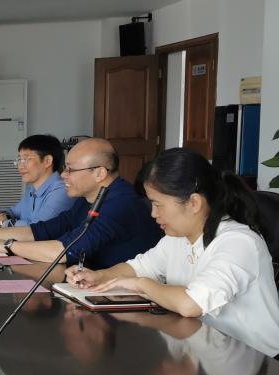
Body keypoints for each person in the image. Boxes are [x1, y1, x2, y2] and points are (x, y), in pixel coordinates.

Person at [65, 148, 279, 356]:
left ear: (194, 203)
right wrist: (99, 276)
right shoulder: (177, 237)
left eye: (158, 204)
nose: (153, 213)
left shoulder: (238, 242)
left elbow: (191, 304)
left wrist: (142, 285)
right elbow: (139, 267)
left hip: (256, 363)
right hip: (205, 351)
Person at [0, 138, 161, 267]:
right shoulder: (87, 198)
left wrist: (9, 246)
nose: (64, 175)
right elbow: (43, 230)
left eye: (71, 169)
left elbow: (67, 250)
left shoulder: (120, 203)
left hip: (123, 296)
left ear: (99, 173)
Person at [0, 134, 74, 227]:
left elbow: (38, 228)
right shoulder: (32, 189)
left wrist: (2, 223)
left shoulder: (63, 191)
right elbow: (14, 212)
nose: (20, 166)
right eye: (19, 159)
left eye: (26, 159)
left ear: (47, 161)